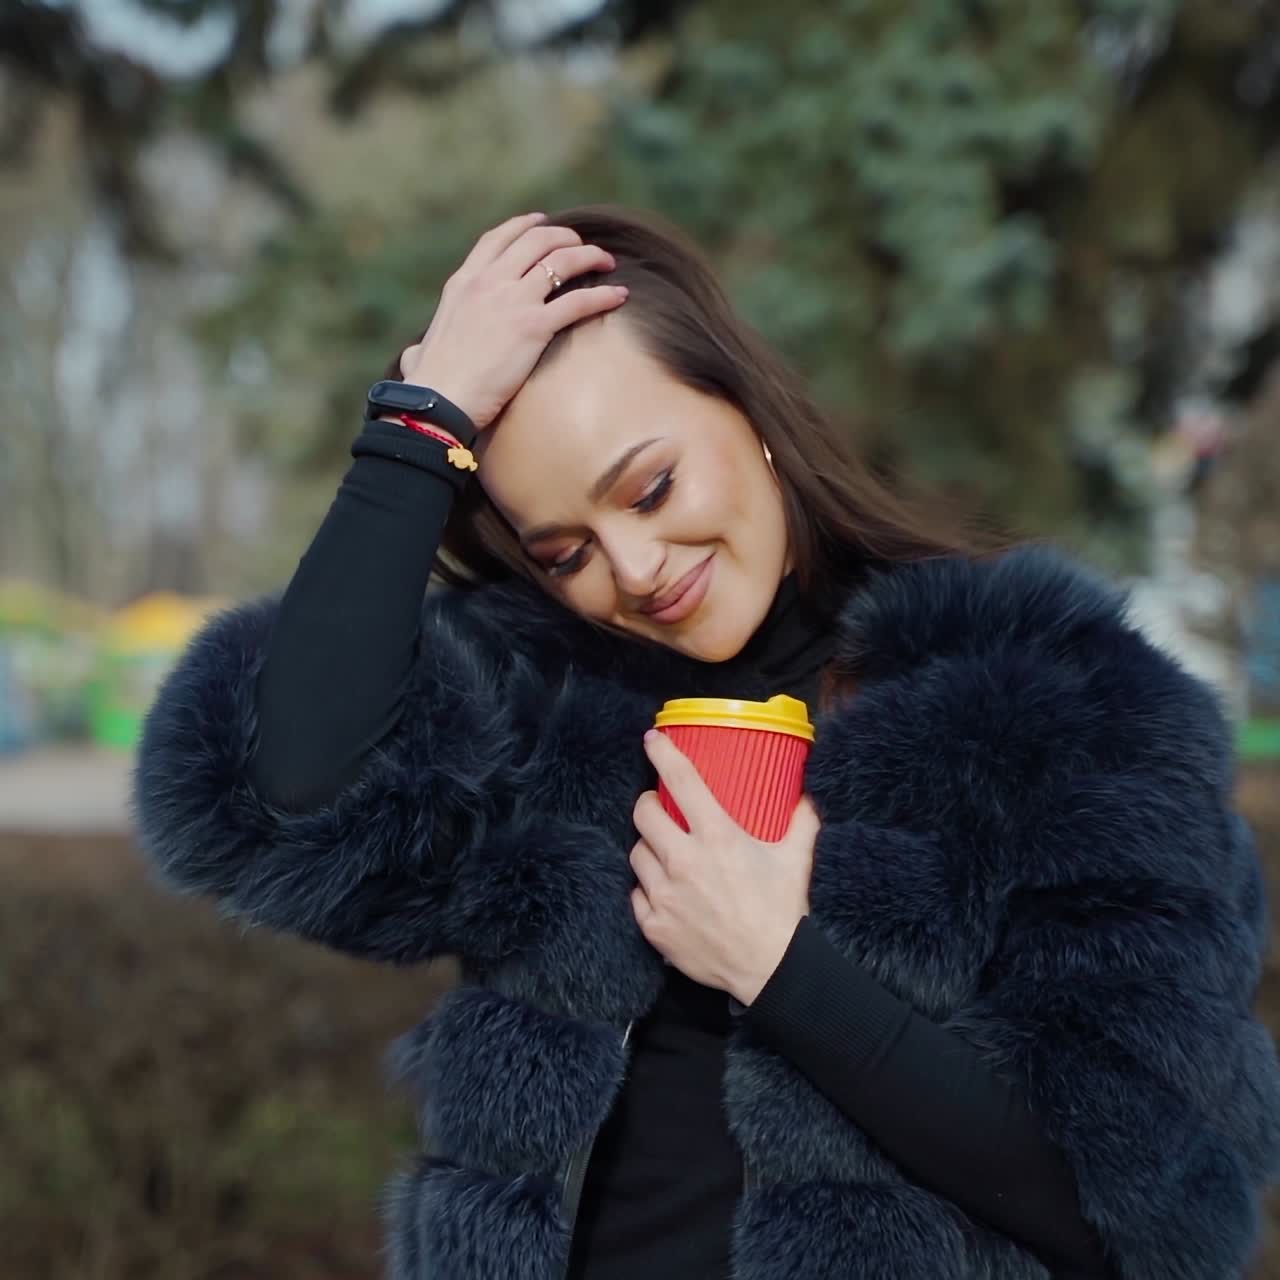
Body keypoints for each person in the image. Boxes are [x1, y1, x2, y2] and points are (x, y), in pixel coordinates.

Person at [133, 206, 1280, 1280]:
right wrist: (418, 429)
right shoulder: (547, 708)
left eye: (651, 484)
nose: (633, 568)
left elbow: (1157, 1213)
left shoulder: (1052, 703)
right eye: (566, 551)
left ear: (753, 415)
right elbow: (280, 790)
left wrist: (779, 966)